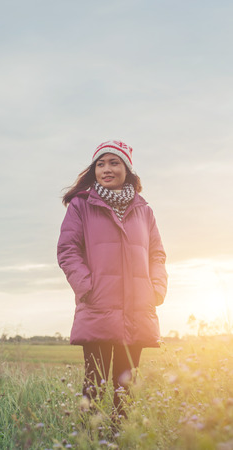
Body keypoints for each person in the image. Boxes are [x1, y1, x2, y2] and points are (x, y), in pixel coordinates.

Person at [57, 140, 167, 417]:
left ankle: (119, 442)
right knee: (94, 385)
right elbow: (68, 250)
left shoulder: (144, 210)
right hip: (99, 305)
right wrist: (86, 287)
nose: (106, 169)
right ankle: (87, 441)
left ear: (127, 169)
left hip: (138, 308)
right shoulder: (81, 206)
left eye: (114, 163)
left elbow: (157, 254)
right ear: (93, 170)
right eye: (100, 164)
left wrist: (156, 290)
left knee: (125, 387)